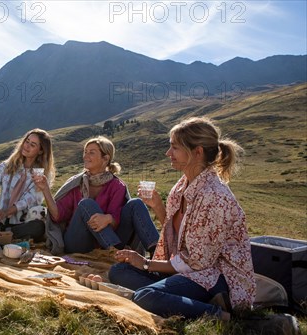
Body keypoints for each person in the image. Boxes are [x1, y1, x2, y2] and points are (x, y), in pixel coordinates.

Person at [108, 117, 256, 321]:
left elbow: (198, 262)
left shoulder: (214, 196)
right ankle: (180, 301)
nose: (168, 153)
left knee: (145, 296)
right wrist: (159, 207)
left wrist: (145, 264)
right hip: (187, 270)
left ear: (198, 152)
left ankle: (225, 315)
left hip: (215, 278)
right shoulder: (182, 185)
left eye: (174, 148)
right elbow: (176, 238)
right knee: (118, 271)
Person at [36, 136, 159, 255]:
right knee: (86, 204)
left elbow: (117, 220)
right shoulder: (76, 183)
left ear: (105, 158)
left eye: (91, 153)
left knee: (136, 203)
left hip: (105, 241)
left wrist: (108, 219)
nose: (86, 156)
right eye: (85, 152)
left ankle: (157, 252)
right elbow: (57, 216)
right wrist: (45, 190)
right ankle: (112, 251)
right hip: (77, 241)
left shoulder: (117, 185)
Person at [0, 128, 55, 242]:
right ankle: (1, 235)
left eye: (32, 145)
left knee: (39, 227)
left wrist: (8, 211)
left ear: (41, 151)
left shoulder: (42, 174)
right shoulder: (7, 166)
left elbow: (31, 199)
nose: (26, 146)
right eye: (26, 141)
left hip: (22, 223)